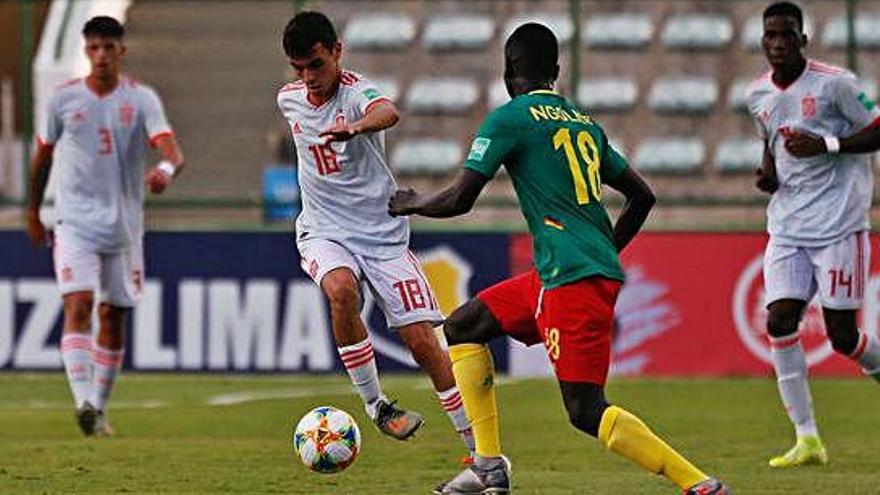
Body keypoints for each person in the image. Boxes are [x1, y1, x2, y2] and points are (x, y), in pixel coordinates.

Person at [390, 22, 730, 495]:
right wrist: (604, 249)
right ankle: (488, 466)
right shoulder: (583, 124)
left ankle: (697, 483)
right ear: (555, 70)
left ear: (509, 70)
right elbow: (642, 196)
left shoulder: (510, 118)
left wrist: (413, 203)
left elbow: (460, 200)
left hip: (570, 277)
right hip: (563, 272)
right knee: (465, 325)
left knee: (585, 410)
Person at [276, 11, 475, 457]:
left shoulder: (355, 92)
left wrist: (357, 126)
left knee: (423, 343)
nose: (308, 77)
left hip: (382, 235)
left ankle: (478, 450)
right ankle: (375, 404)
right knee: (342, 290)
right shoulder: (288, 100)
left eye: (316, 64)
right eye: (299, 68)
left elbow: (387, 110)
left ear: (336, 52)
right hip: (323, 230)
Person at [26, 16, 185, 436]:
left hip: (124, 227)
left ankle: (97, 406)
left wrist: (165, 170)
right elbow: (42, 158)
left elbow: (170, 149)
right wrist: (32, 212)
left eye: (108, 48)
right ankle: (81, 400)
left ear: (121, 51)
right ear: (85, 51)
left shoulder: (141, 99)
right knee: (77, 304)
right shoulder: (63, 100)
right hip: (74, 221)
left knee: (113, 315)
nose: (100, 56)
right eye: (93, 48)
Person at [747, 1, 880, 468]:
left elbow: (879, 128)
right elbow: (771, 144)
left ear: (803, 39)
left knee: (844, 338)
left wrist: (828, 144)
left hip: (839, 226)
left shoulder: (835, 85)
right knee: (780, 320)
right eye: (771, 35)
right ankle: (807, 439)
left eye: (787, 35)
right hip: (786, 227)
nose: (778, 43)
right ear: (763, 41)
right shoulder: (757, 95)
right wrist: (768, 173)